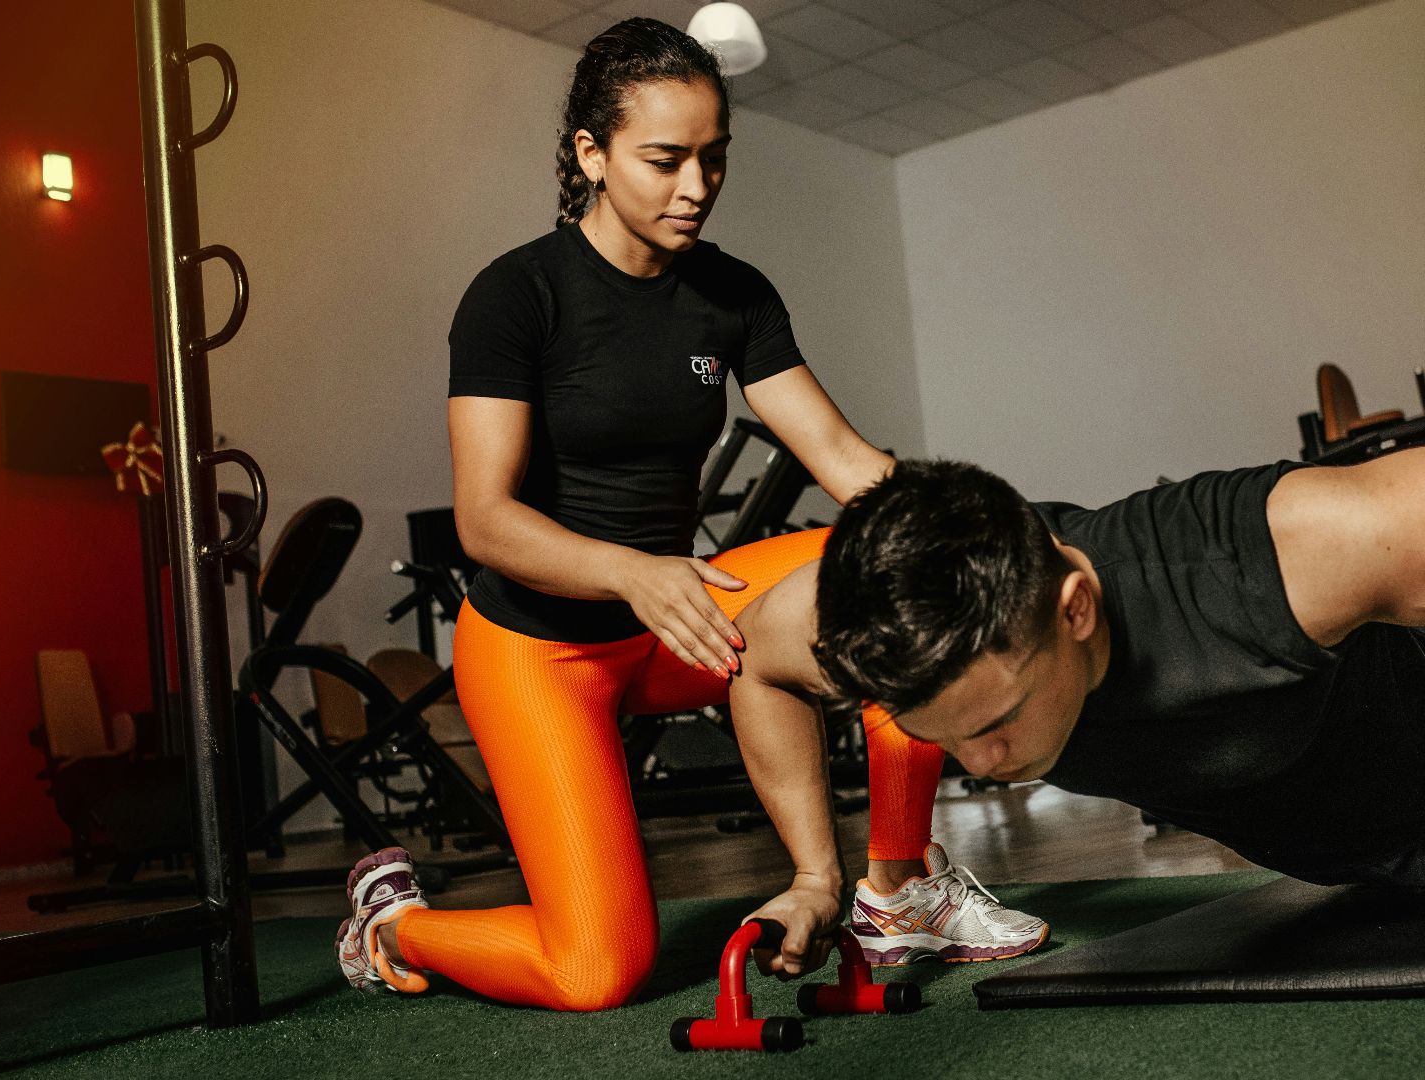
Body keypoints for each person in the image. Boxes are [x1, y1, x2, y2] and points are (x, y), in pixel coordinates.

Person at [333, 19, 1044, 1011]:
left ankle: (898, 890)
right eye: (665, 159)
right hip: (544, 648)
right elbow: (484, 523)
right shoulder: (516, 297)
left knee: (897, 569)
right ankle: (392, 923)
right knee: (597, 971)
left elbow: (841, 459)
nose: (697, 186)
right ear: (591, 153)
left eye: (715, 158)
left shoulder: (730, 295)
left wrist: (987, 529)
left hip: (685, 617)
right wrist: (631, 570)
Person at [729, 446, 1425, 975]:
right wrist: (818, 876)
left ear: (1075, 608)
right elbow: (753, 665)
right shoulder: (881, 617)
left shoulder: (1251, 559)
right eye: (942, 737)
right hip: (1323, 853)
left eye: (998, 723)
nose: (980, 767)